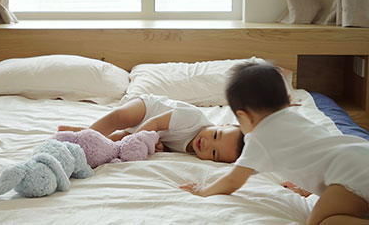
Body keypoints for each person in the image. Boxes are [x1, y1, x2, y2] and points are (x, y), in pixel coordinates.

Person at [179, 62, 369, 225]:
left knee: (321, 222)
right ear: (288, 100)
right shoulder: (294, 116)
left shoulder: (258, 138)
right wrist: (305, 187)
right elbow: (315, 152)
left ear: (242, 117)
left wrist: (202, 191)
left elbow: (232, 181)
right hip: (359, 154)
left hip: (348, 175)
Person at [59, 94, 245, 162]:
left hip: (152, 132)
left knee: (118, 138)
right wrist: (137, 140)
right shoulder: (194, 117)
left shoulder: (193, 152)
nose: (206, 144)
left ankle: (79, 133)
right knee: (119, 117)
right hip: (148, 109)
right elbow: (155, 123)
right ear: (222, 124)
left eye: (214, 153)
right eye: (215, 135)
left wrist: (158, 145)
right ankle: (86, 134)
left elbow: (169, 140)